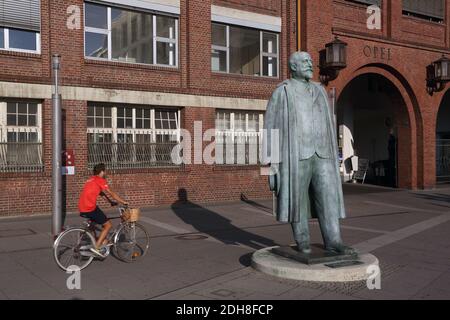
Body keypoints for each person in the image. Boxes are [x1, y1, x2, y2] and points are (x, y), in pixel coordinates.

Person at [78, 163, 128, 257]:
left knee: (95, 222)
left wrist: (110, 201)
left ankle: (96, 241)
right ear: (101, 171)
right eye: (104, 171)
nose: (105, 173)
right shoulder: (100, 180)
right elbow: (111, 193)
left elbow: (101, 193)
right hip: (89, 208)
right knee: (108, 225)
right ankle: (96, 247)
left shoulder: (91, 179)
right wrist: (123, 202)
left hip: (82, 207)